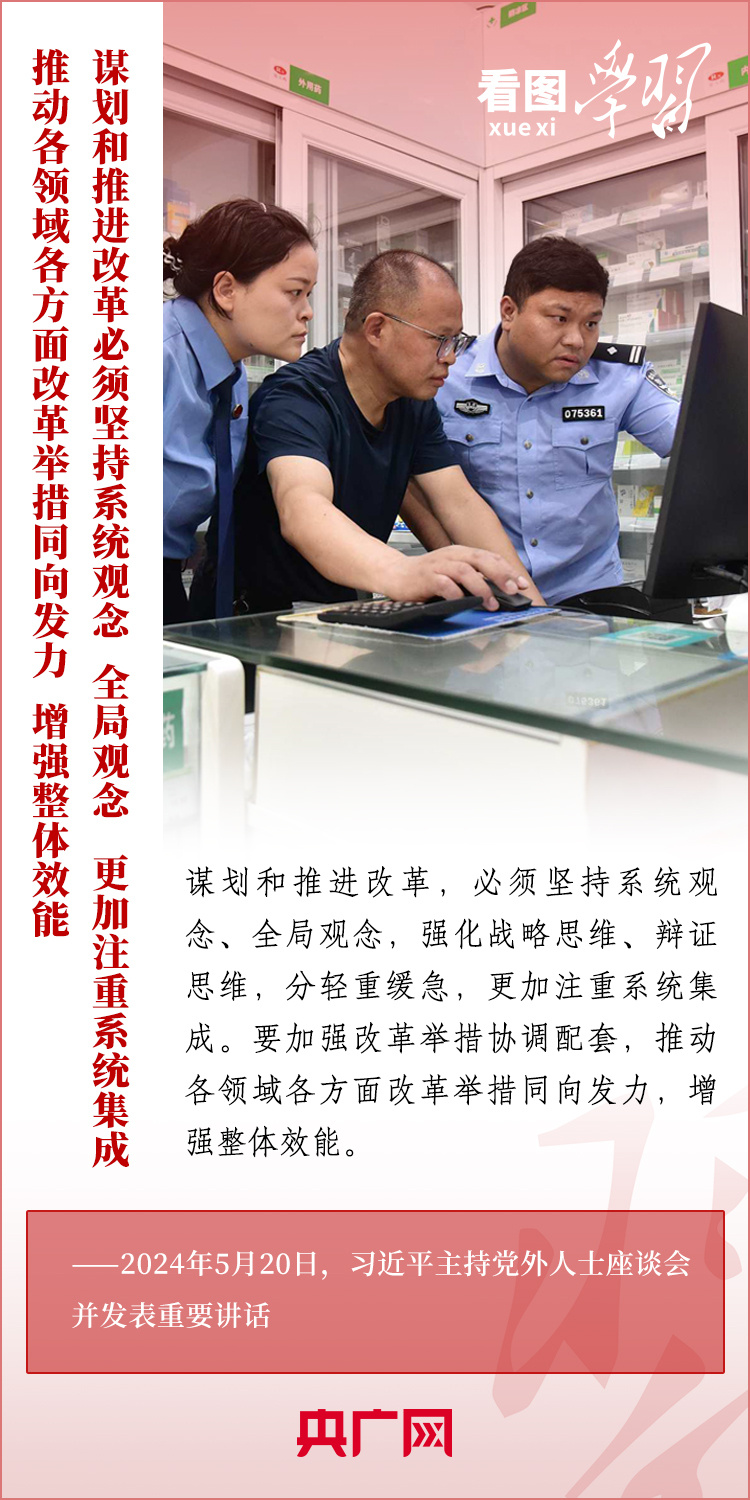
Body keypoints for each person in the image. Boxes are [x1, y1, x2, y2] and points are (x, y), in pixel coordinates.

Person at [196, 249, 544, 618]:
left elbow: (460, 505)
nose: (451, 357)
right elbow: (303, 509)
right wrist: (403, 571)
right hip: (249, 620)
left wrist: (533, 612)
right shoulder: (297, 397)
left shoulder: (412, 404)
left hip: (333, 614)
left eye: (456, 341)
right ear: (377, 329)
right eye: (440, 339)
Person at [411, 235, 681, 605]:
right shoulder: (447, 375)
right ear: (509, 312)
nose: (576, 340)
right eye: (560, 319)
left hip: (591, 596)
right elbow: (413, 483)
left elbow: (699, 445)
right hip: (485, 594)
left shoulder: (620, 377)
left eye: (591, 323)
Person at [162, 198, 317, 624]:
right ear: (227, 290)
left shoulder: (230, 376)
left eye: (308, 295)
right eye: (294, 292)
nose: (307, 311)